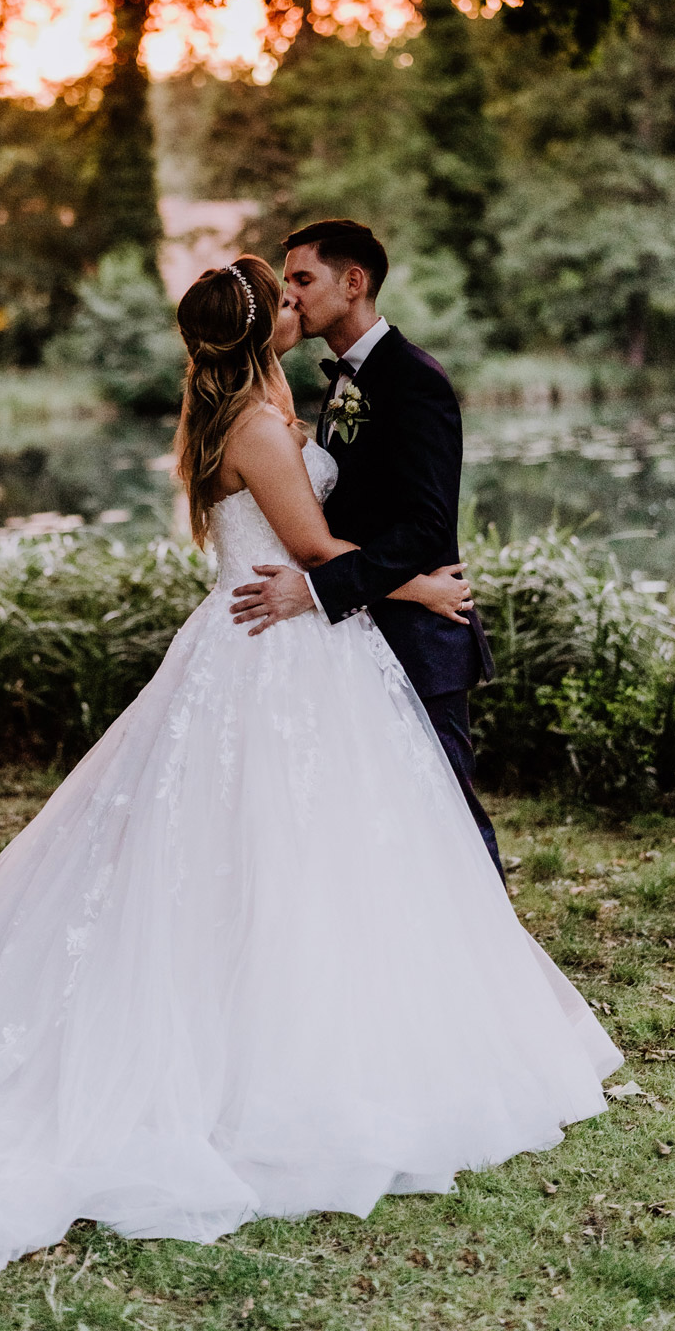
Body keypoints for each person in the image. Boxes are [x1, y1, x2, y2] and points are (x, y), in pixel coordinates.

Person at [0, 255, 620, 1280]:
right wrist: (421, 592)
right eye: (284, 298)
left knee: (309, 852)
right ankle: (268, 1058)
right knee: (263, 848)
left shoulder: (253, 405)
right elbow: (318, 550)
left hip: (279, 646)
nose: (299, 306)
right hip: (275, 655)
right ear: (257, 328)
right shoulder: (254, 427)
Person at [231, 220, 504, 878]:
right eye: (285, 285)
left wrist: (319, 588)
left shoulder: (413, 381)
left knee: (449, 816)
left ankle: (497, 969)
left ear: (353, 283)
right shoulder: (341, 380)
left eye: (301, 280)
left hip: (418, 633)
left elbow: (425, 530)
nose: (289, 299)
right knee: (384, 823)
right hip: (354, 642)